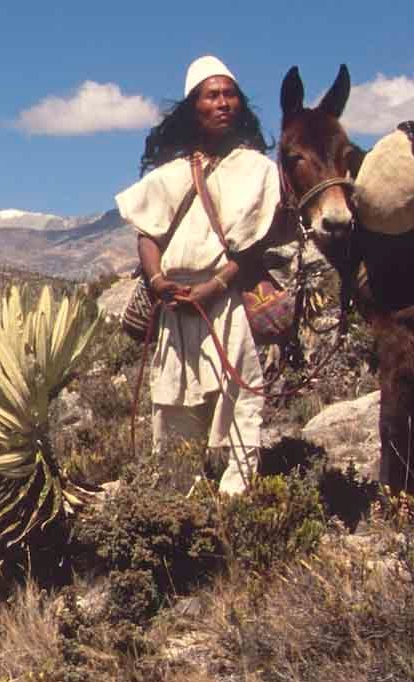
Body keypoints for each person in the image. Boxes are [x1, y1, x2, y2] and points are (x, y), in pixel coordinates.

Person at [116, 55, 280, 494]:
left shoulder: (259, 171)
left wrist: (215, 285)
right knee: (174, 399)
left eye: (230, 95)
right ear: (195, 107)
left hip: (226, 298)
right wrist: (156, 281)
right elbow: (148, 235)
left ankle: (238, 494)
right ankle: (177, 497)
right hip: (175, 305)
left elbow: (254, 245)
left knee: (241, 394)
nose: (223, 103)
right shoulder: (170, 174)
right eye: (212, 95)